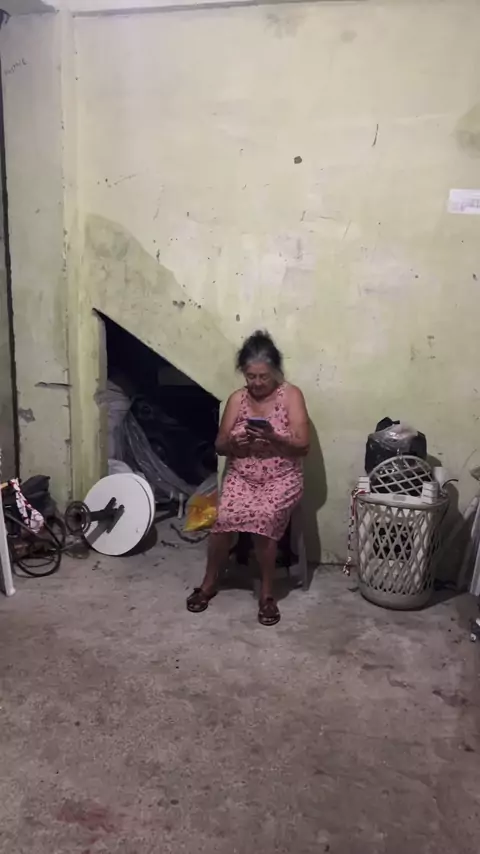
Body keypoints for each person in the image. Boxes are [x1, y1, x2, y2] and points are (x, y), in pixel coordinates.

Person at [186, 330, 310, 626]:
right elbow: (219, 445)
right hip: (242, 475)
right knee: (224, 519)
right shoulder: (237, 399)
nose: (256, 383)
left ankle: (266, 594)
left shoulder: (291, 395)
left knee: (264, 519)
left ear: (275, 371)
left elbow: (303, 446)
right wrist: (233, 444)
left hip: (282, 476)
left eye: (263, 376)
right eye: (250, 376)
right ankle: (208, 583)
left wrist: (275, 437)